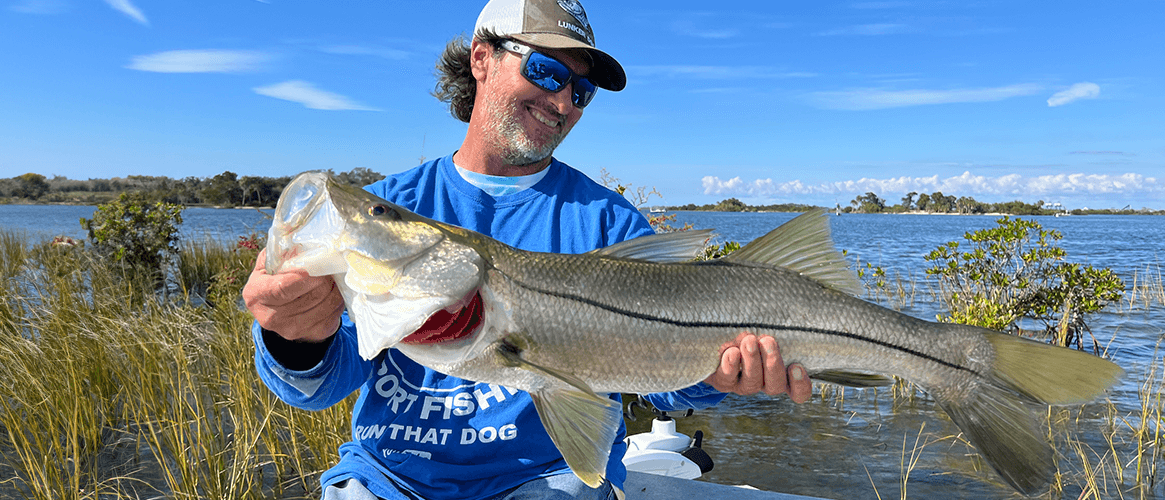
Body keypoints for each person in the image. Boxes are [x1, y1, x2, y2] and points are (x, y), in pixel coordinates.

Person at [241, 1, 811, 498]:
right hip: (391, 481)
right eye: (544, 69)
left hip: (550, 480)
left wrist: (717, 378)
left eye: (580, 90)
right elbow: (319, 387)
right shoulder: (389, 207)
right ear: (481, 58)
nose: (562, 100)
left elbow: (661, 378)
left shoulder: (610, 222)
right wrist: (294, 338)